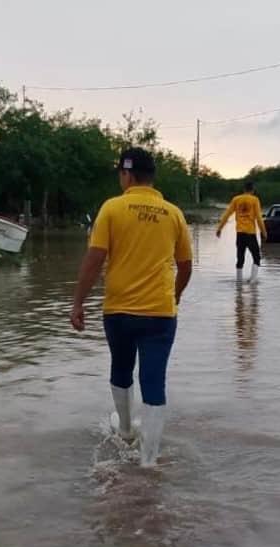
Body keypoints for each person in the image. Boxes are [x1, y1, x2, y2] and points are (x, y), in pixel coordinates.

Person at [70, 148, 193, 467]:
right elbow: (186, 266)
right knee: (154, 381)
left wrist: (78, 302)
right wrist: (175, 295)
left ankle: (124, 431)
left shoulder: (112, 208)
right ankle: (149, 461)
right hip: (160, 313)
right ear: (152, 177)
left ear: (126, 174)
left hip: (119, 311)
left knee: (121, 369)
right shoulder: (174, 213)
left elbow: (95, 259)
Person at [216, 181, 267, 283]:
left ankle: (239, 282)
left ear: (244, 190)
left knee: (240, 257)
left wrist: (219, 228)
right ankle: (253, 280)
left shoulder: (236, 199)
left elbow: (227, 214)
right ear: (253, 190)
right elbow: (259, 218)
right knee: (256, 257)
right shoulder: (255, 200)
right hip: (250, 233)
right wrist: (264, 232)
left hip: (240, 233)